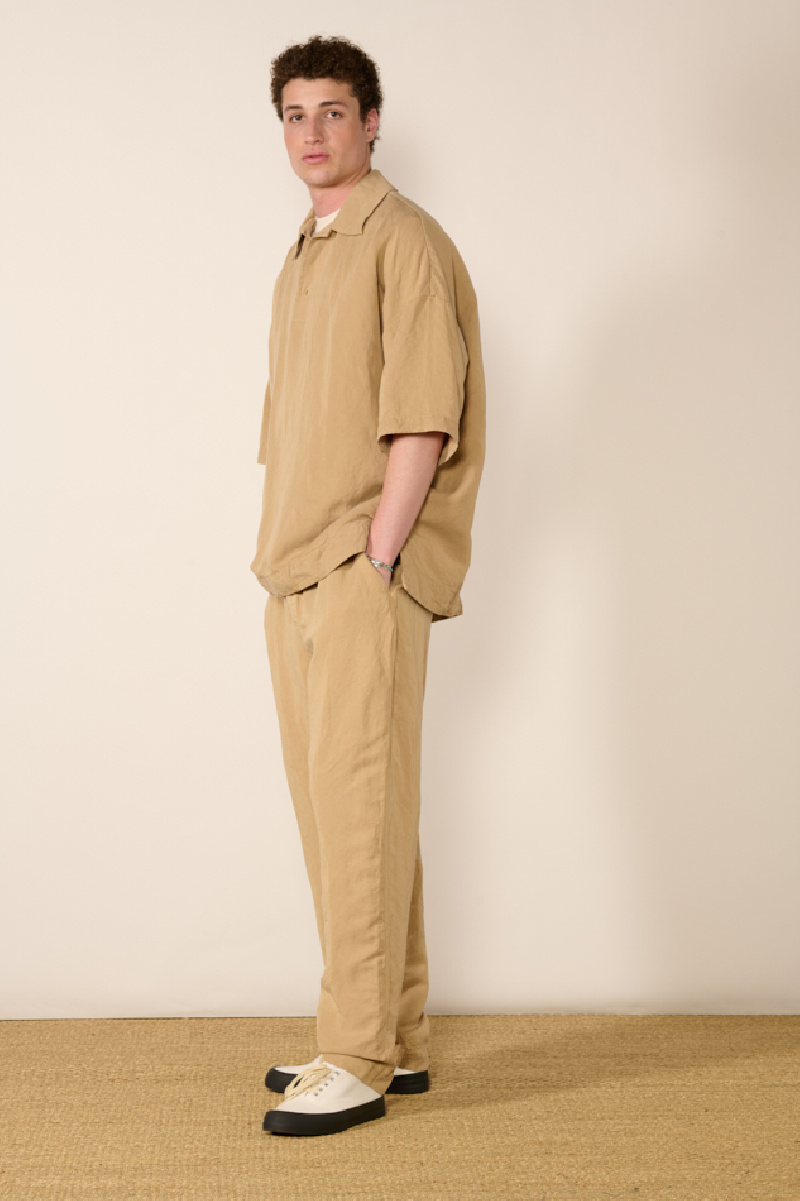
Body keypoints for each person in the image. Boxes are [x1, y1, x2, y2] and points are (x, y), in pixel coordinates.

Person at [252, 34, 485, 1137]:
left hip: (357, 567)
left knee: (356, 809)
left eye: (333, 112)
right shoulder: (308, 248)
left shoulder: (405, 243)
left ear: (372, 121)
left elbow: (423, 415)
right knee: (351, 809)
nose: (312, 132)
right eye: (294, 114)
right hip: (295, 565)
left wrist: (378, 557)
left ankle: (354, 1055)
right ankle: (397, 1034)